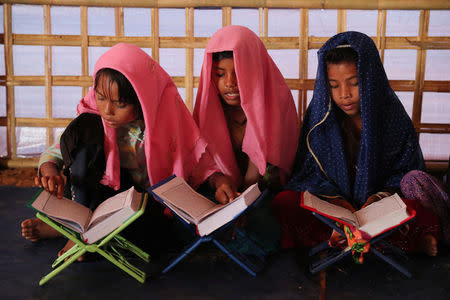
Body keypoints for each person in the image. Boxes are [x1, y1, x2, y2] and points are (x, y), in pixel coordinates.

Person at [21, 43, 230, 258]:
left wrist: (220, 182)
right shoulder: (92, 122)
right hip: (91, 193)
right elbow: (56, 152)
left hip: (139, 201)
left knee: (162, 242)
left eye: (120, 104)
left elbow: (197, 164)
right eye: (101, 98)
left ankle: (73, 230)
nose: (107, 111)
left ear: (142, 100)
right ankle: (76, 230)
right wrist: (49, 170)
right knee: (83, 139)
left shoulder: (166, 121)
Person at [272, 31, 443, 257]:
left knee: (417, 207)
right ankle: (365, 239)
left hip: (380, 208)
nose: (344, 95)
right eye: (334, 85)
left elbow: (405, 170)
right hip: (335, 208)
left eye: (354, 83)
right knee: (284, 202)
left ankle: (345, 240)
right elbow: (307, 172)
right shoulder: (320, 115)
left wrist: (377, 198)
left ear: (370, 79)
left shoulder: (391, 114)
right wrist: (338, 201)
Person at [193, 25, 299, 252]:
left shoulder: (276, 100)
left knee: (268, 223)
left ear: (256, 71)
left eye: (239, 73)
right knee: (183, 220)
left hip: (263, 193)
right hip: (222, 194)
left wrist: (242, 204)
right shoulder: (208, 106)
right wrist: (220, 182)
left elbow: (271, 172)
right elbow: (202, 164)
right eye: (220, 74)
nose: (230, 83)